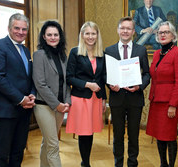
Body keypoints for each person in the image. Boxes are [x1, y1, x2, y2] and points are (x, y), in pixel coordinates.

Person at [0, 13, 35, 167]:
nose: (21, 32)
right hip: (5, 110)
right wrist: (21, 99)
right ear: (9, 28)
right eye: (17, 28)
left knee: (18, 151)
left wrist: (32, 94)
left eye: (24, 29)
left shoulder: (26, 50)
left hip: (24, 111)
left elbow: (29, 77)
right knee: (2, 154)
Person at [105, 16, 150, 167]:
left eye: (128, 28)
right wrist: (109, 83)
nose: (125, 31)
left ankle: (132, 164)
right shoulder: (109, 50)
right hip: (117, 98)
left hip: (135, 99)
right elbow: (104, 74)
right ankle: (118, 164)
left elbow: (147, 74)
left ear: (133, 32)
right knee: (118, 136)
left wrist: (139, 86)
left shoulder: (141, 50)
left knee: (133, 135)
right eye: (122, 28)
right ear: (118, 30)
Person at [146, 21, 178, 167]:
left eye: (166, 32)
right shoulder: (157, 54)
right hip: (156, 101)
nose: (163, 35)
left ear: (173, 35)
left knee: (169, 137)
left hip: (169, 103)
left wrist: (173, 104)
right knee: (159, 135)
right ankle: (163, 164)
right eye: (160, 32)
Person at [66, 21, 106, 167]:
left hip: (96, 99)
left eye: (93, 33)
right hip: (80, 98)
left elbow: (102, 78)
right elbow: (69, 77)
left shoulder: (102, 54)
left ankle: (86, 161)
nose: (90, 36)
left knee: (91, 132)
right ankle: (86, 163)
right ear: (82, 35)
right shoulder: (75, 52)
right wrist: (88, 84)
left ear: (97, 35)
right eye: (87, 33)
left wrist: (103, 99)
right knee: (84, 132)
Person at [32, 20, 71, 167]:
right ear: (44, 36)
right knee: (54, 145)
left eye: (56, 34)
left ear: (60, 37)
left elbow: (67, 82)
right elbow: (40, 84)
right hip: (44, 106)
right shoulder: (39, 55)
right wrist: (57, 105)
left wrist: (67, 102)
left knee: (47, 142)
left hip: (61, 106)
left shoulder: (63, 56)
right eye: (49, 35)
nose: (53, 37)